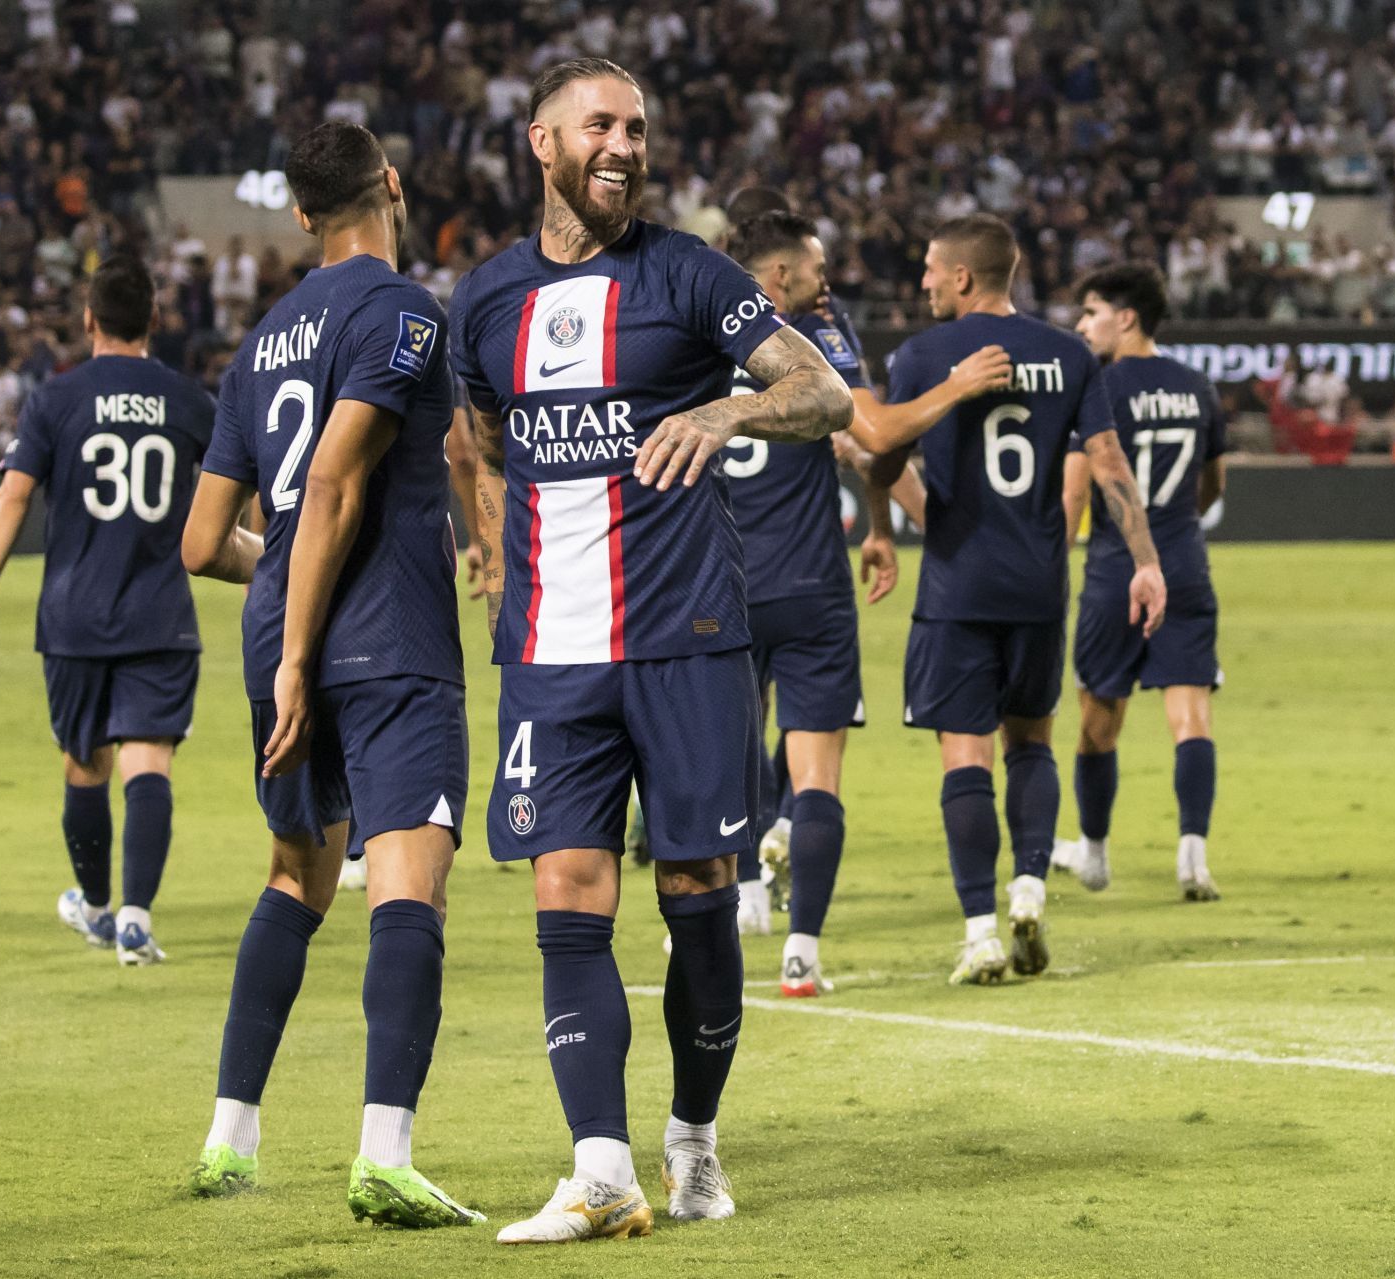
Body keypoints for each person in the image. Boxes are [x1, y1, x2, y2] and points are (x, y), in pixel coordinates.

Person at [450, 57, 851, 1243]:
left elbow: (824, 395)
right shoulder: (486, 299)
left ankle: (693, 1138)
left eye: (636, 127)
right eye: (600, 126)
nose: (624, 144)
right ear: (543, 142)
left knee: (696, 894)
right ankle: (602, 1168)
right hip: (551, 654)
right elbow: (475, 444)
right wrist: (492, 575)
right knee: (568, 891)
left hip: (687, 640)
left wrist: (726, 409)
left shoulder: (689, 273)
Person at [179, 122, 481, 1228]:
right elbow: (342, 489)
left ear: (300, 213)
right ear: (391, 185)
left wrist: (283, 621)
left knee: (293, 880)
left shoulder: (256, 343)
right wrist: (310, 646)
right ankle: (383, 1152)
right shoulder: (404, 311)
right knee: (409, 881)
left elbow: (206, 539)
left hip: (276, 636)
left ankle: (229, 1137)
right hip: (384, 637)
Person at [860, 215, 1166, 985]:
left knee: (964, 755)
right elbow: (1107, 461)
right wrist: (1146, 561)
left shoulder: (923, 354)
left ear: (963, 276)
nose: (923, 280)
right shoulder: (1069, 354)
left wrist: (878, 521)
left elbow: (882, 450)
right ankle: (1029, 887)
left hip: (958, 579)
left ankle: (981, 931)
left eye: (931, 268)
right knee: (1031, 742)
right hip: (1039, 583)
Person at [723, 210, 976, 995]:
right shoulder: (814, 345)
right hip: (808, 588)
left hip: (715, 591)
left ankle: (726, 915)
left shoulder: (689, 339)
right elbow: (870, 433)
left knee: (718, 771)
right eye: (816, 269)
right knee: (818, 778)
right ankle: (803, 953)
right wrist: (957, 388)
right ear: (778, 278)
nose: (828, 283)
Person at [0, 255, 214, 966]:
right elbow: (236, 487)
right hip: (161, 613)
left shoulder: (55, 399)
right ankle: (136, 916)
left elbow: (12, 494)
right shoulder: (189, 400)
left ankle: (97, 907)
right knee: (149, 760)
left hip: (72, 616)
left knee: (84, 764)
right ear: (155, 322)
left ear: (88, 320)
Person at [1053, 263, 1227, 901]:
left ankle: (1094, 853)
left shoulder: (1097, 387)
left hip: (1113, 569)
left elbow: (1076, 490)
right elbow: (1215, 486)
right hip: (1183, 562)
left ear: (1126, 317)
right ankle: (1193, 857)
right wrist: (1177, 518)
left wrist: (1056, 558)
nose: (1080, 324)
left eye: (1091, 311)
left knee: (1099, 717)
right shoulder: (1197, 386)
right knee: (1191, 717)